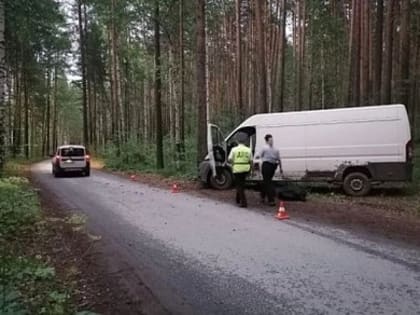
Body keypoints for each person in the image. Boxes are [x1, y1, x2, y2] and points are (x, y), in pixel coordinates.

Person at [228, 133, 253, 208]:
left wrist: (233, 164)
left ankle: (244, 203)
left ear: (237, 141)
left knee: (239, 185)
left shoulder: (234, 149)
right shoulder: (248, 149)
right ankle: (238, 199)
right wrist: (251, 170)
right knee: (241, 184)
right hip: (246, 168)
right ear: (245, 141)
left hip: (237, 168)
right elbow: (251, 161)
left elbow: (229, 159)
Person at [259, 134, 282, 206]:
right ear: (266, 141)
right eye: (270, 140)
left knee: (267, 181)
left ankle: (264, 196)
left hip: (273, 166)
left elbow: (279, 159)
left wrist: (281, 168)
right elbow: (260, 155)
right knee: (268, 181)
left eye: (272, 140)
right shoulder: (264, 148)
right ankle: (270, 199)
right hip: (266, 164)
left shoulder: (276, 149)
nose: (272, 141)